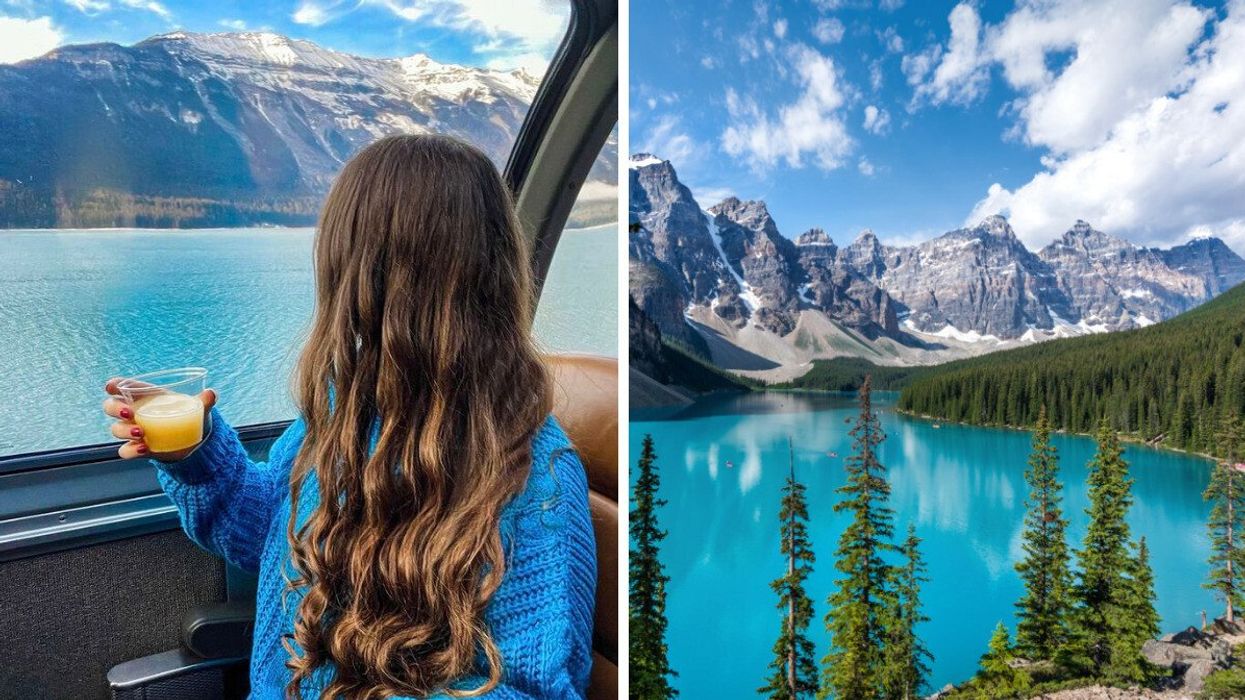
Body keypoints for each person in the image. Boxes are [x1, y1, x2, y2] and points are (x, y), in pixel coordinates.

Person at [102, 134, 596, 699]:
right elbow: (277, 536)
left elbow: (533, 690)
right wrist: (197, 458)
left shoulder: (538, 482)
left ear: (365, 279)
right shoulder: (341, 410)